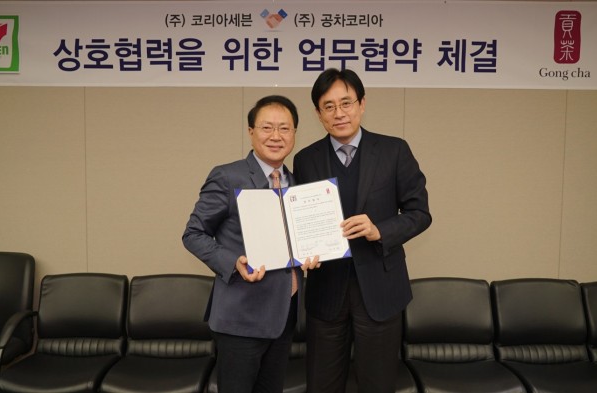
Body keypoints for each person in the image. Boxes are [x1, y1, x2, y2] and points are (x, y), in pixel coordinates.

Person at [293, 68, 431, 393]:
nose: (339, 113)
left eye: (346, 103)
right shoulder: (305, 159)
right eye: (329, 106)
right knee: (322, 385)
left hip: (381, 290)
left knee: (378, 385)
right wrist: (300, 251)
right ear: (318, 113)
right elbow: (298, 221)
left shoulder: (394, 150)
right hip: (327, 291)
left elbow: (420, 213)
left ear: (362, 104)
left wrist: (379, 230)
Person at [183, 95, 319, 393]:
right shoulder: (227, 176)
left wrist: (310, 253)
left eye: (285, 128)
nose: (276, 136)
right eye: (267, 127)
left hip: (284, 313)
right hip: (240, 318)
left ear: (295, 134)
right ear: (250, 132)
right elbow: (193, 234)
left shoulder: (297, 184)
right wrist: (232, 262)